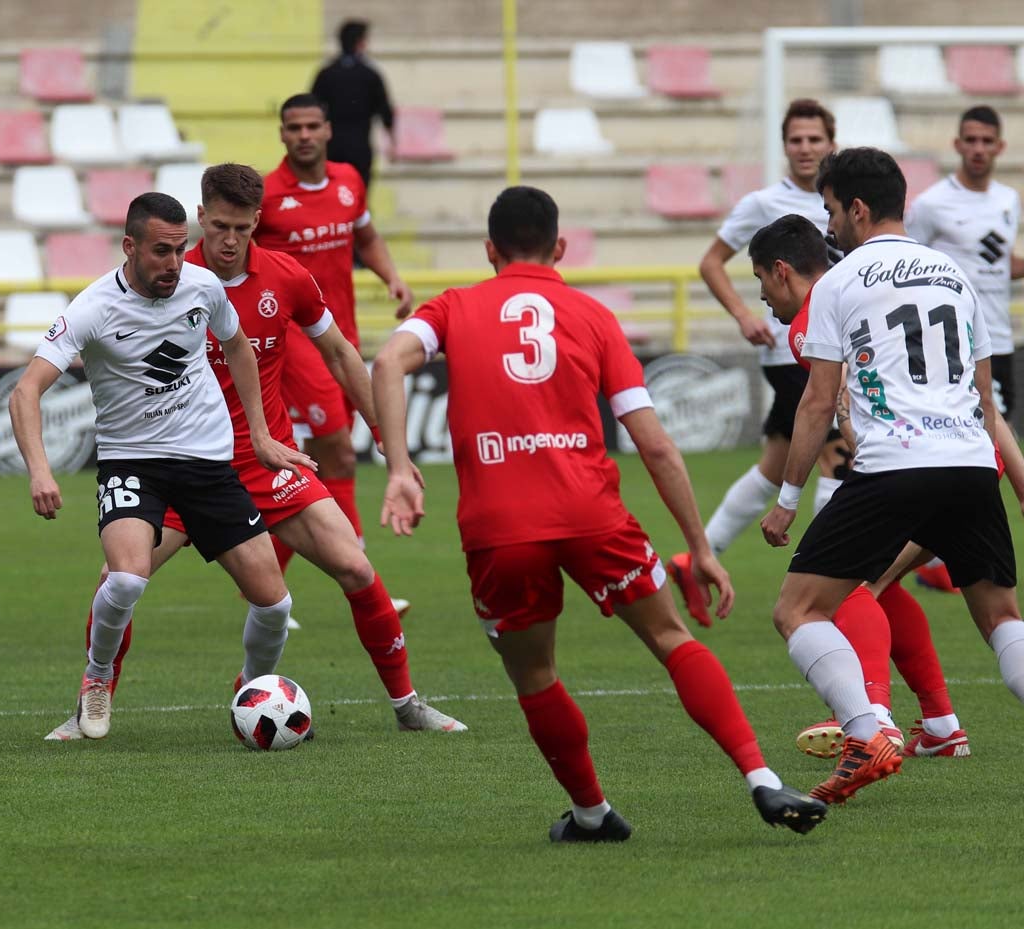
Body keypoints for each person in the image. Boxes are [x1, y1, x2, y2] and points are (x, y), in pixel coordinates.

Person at [374, 185, 827, 842]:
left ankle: (591, 812)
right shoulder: (591, 315)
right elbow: (654, 443)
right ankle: (760, 777)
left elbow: (388, 360)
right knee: (673, 639)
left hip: (500, 527)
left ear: (489, 249)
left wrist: (397, 468)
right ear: (559, 248)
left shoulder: (453, 306)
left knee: (534, 672)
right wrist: (700, 546)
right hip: (593, 514)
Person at [43, 165, 464, 740]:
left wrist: (393, 448)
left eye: (241, 227)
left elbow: (341, 355)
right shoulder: (167, 277)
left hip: (265, 464)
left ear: (256, 223)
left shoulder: (287, 278)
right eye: (217, 226)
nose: (228, 239)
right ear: (199, 220)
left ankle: (402, 704)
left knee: (357, 567)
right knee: (118, 580)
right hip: (175, 465)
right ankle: (90, 702)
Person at [759, 148, 1024, 805]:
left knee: (797, 608)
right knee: (1001, 618)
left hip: (896, 467)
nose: (829, 227)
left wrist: (787, 501)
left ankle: (866, 731)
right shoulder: (957, 275)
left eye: (830, 210)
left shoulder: (839, 283)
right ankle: (925, 721)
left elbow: (818, 402)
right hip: (967, 462)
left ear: (855, 207)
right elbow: (986, 401)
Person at [9, 192, 313, 740]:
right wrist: (40, 470)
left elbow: (238, 347)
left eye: (179, 250)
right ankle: (96, 682)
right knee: (125, 579)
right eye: (159, 252)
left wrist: (262, 435)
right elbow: (25, 391)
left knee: (274, 605)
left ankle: (257, 692)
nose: (174, 264)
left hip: (207, 464)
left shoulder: (204, 288)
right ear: (130, 246)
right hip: (133, 462)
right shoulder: (93, 307)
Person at [667, 99, 849, 627]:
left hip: (830, 343)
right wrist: (745, 313)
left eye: (815, 139)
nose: (806, 148)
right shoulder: (762, 202)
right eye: (796, 139)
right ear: (784, 144)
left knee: (776, 464)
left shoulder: (839, 203)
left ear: (830, 142)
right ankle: (829, 580)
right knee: (836, 453)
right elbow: (711, 263)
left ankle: (696, 558)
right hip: (793, 351)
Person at [257, 93, 413, 619]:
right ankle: (367, 582)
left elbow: (366, 237)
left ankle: (263, 579)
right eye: (293, 127)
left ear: (328, 131)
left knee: (321, 463)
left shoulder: (349, 179)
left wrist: (391, 275)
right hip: (292, 337)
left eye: (311, 126)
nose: (303, 135)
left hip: (338, 335)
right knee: (342, 453)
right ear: (282, 134)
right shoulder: (268, 195)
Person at [904, 104, 1024, 593]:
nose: (977, 149)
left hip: (1001, 339)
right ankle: (904, 562)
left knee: (984, 456)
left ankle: (931, 557)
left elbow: (996, 263)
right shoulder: (932, 205)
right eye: (969, 140)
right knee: (987, 454)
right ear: (957, 145)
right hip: (958, 346)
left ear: (1000, 147)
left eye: (986, 141)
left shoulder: (1008, 200)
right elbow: (908, 264)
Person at [310, 19, 395, 191]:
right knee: (358, 197)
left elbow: (311, 108)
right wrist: (393, 141)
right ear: (361, 42)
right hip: (360, 147)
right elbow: (386, 112)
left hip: (331, 147)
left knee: (331, 194)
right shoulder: (370, 74)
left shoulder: (326, 73)